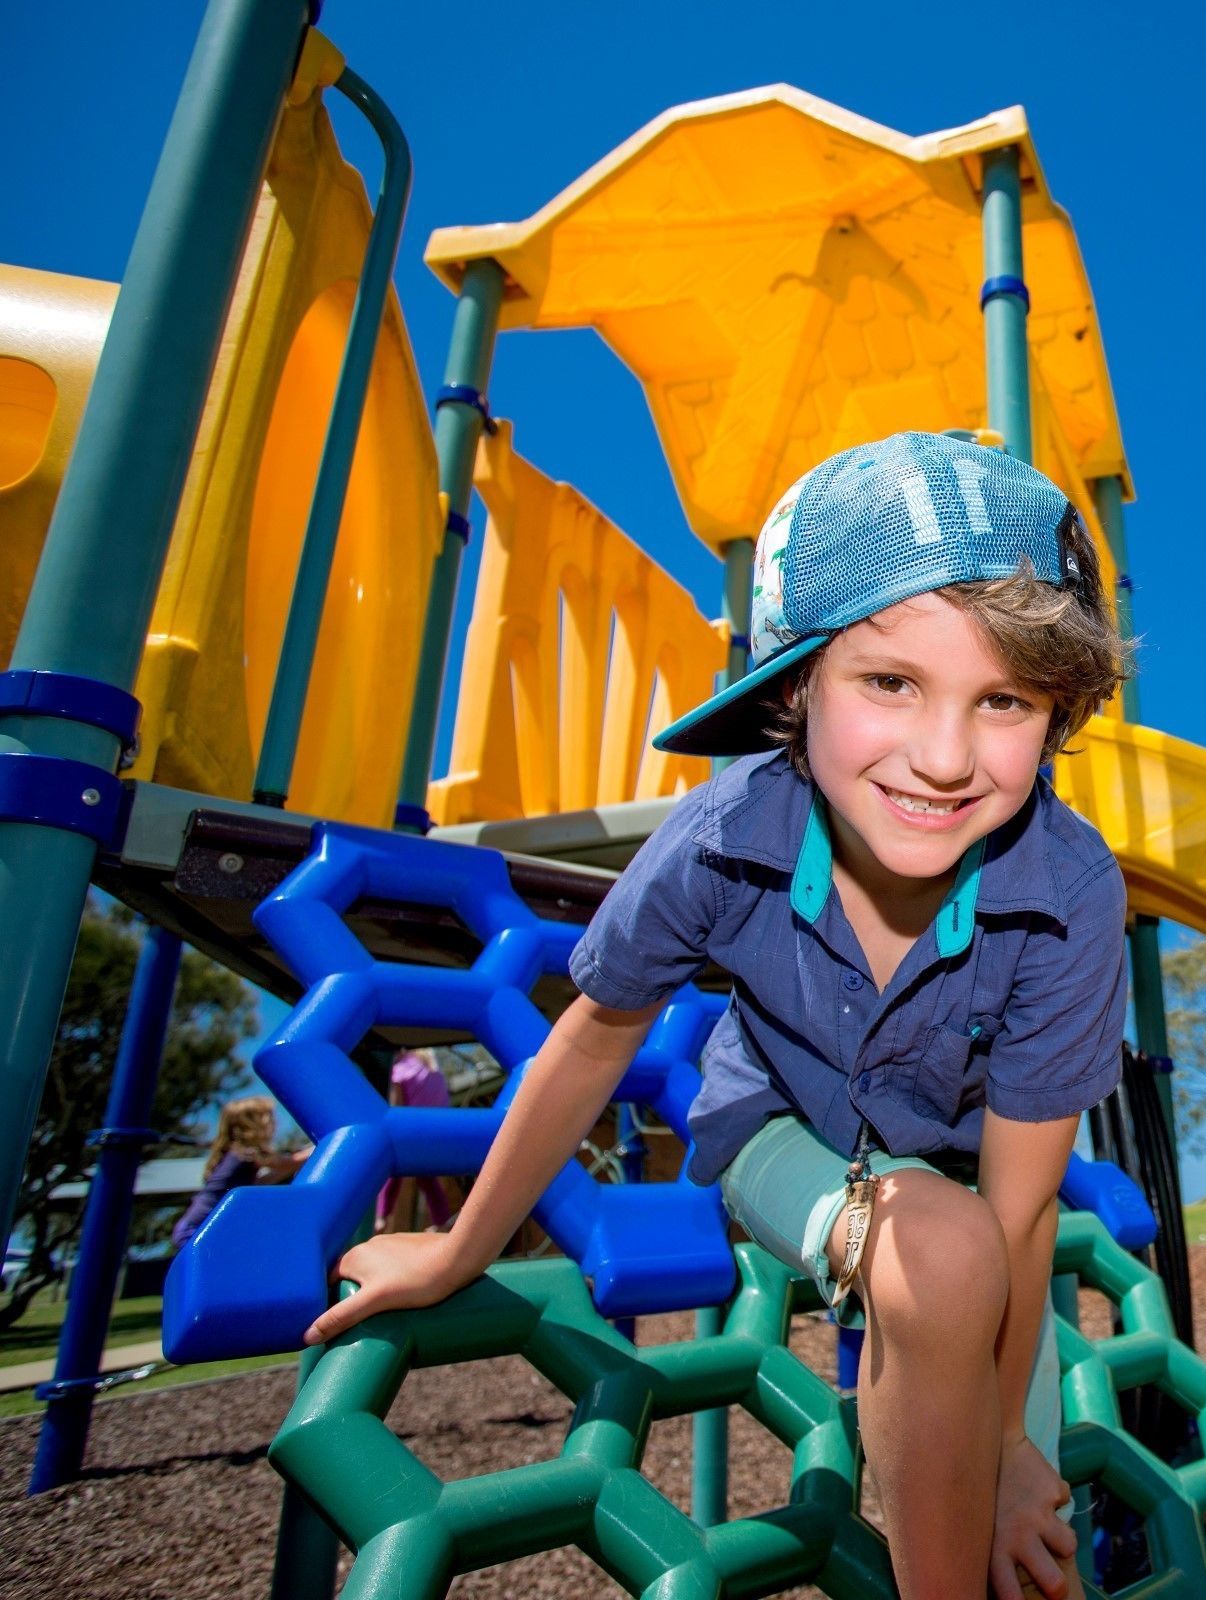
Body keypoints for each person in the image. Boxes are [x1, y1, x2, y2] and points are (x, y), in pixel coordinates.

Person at [304, 432, 1131, 1600]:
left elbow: (1022, 1201)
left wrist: (1005, 1446)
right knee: (941, 1257)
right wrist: (458, 1248)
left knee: (1032, 1524)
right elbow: (591, 1041)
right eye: (890, 683)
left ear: (1055, 716)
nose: (944, 757)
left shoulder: (1068, 890)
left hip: (962, 1184)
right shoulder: (723, 837)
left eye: (1003, 699)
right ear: (797, 685)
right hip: (775, 1135)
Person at [169, 1096, 308, 1252]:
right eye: (270, 1118)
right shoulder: (245, 1153)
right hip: (197, 1229)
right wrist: (318, 1147)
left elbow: (266, 1180)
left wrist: (297, 1163)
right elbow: (288, 1162)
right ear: (254, 1124)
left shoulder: (236, 1155)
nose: (275, 1123)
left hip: (195, 1226)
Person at [375, 1049, 456, 1234]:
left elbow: (396, 1104)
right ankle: (442, 1221)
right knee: (426, 1177)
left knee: (393, 1168)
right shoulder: (430, 1068)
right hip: (438, 1130)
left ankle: (381, 1218)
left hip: (412, 1127)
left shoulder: (401, 1069)